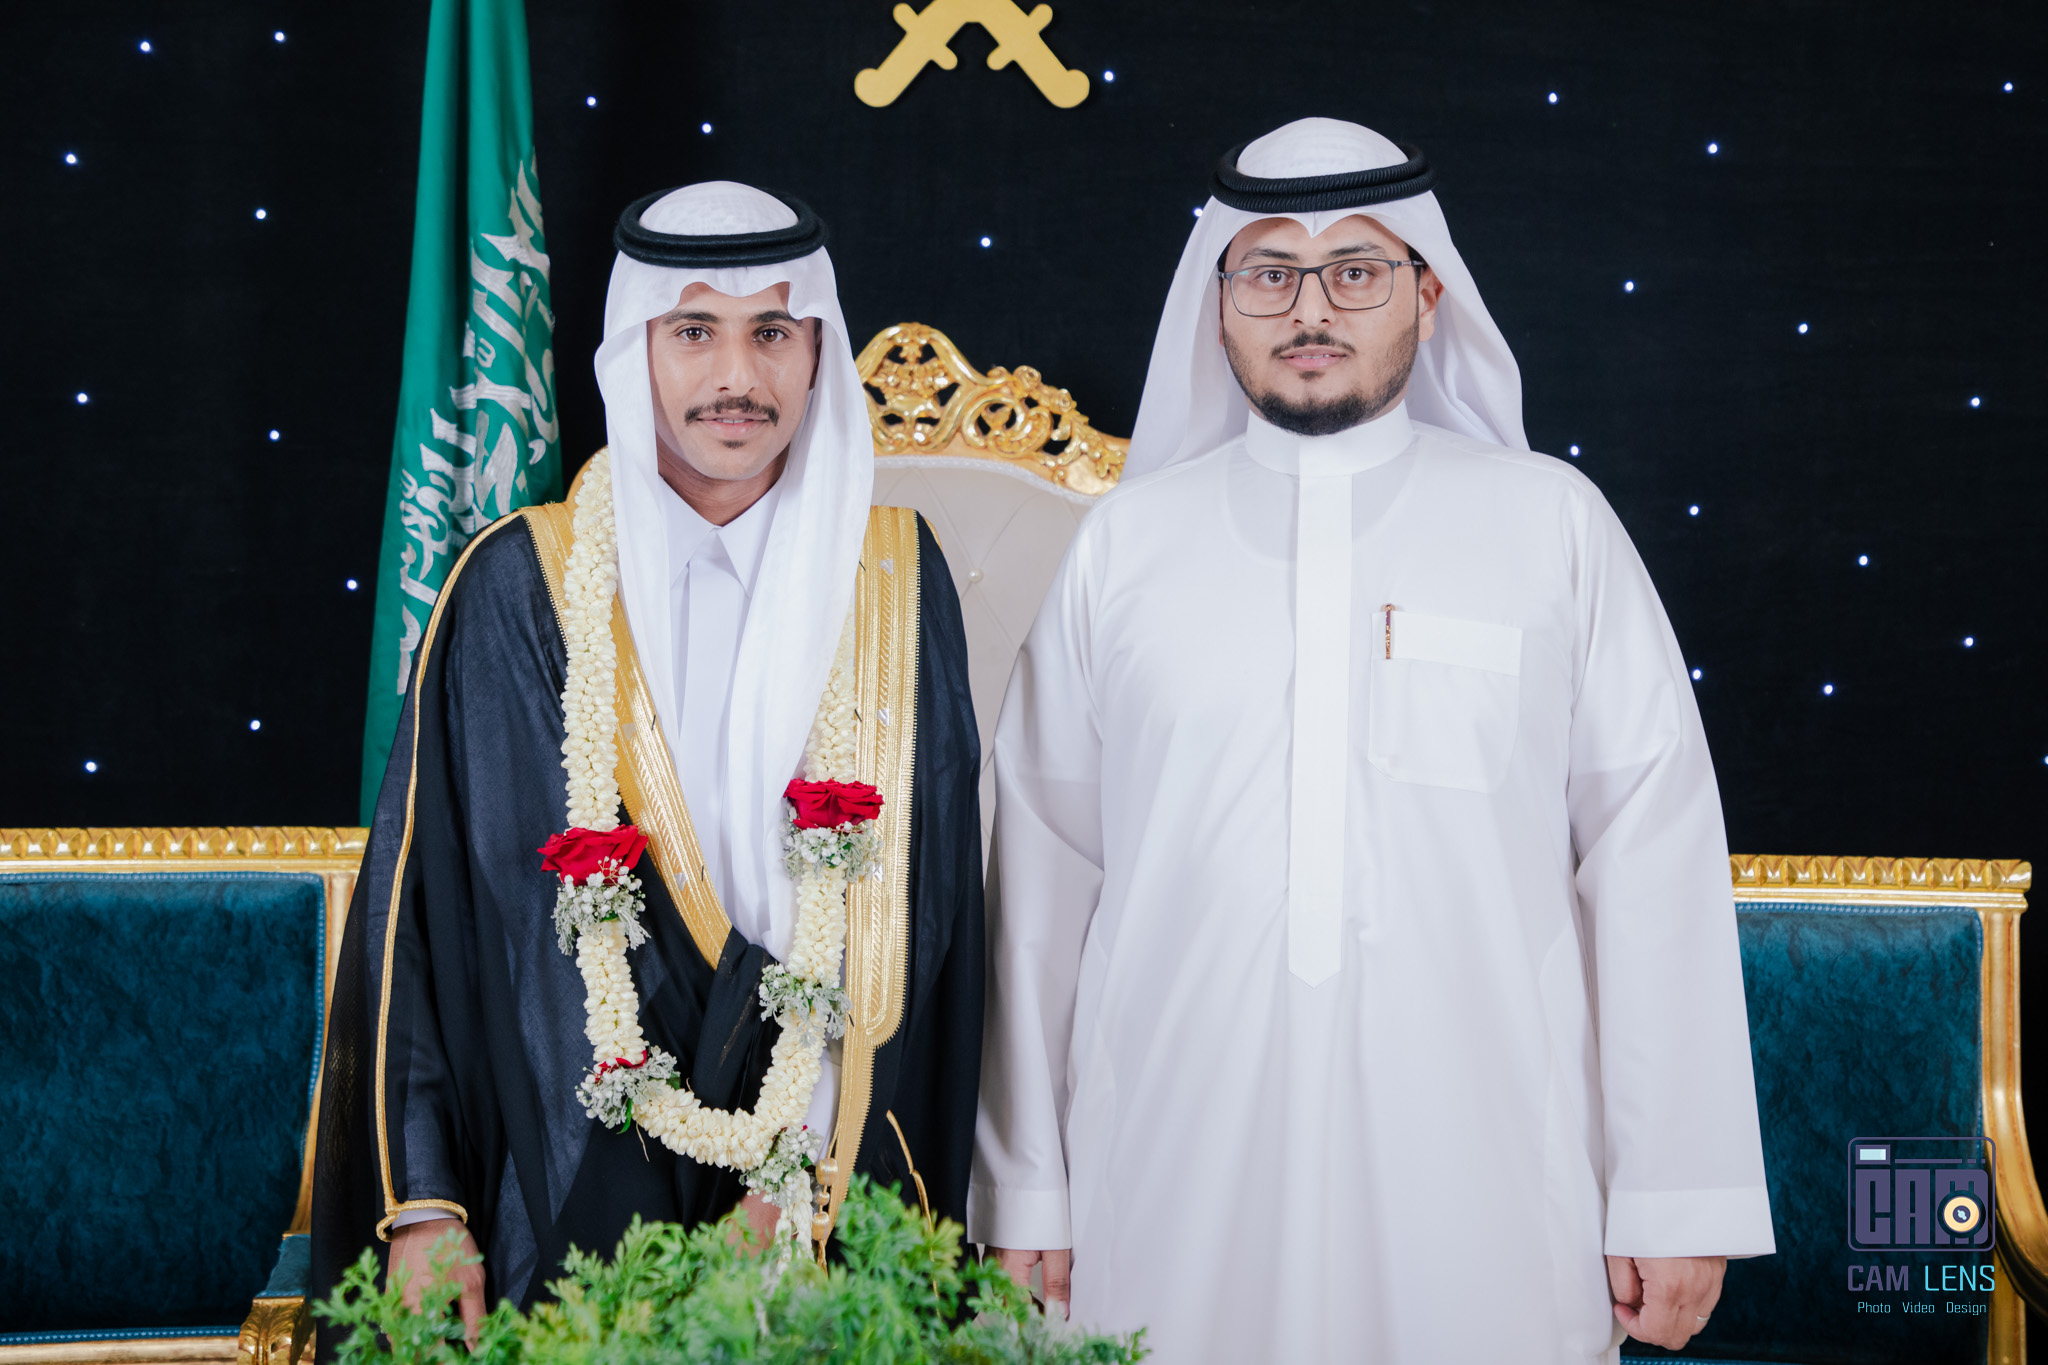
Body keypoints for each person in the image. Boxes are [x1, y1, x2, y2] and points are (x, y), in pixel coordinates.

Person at [972, 118, 1773, 1362]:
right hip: (1171, 1161)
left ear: (1427, 293)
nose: (1310, 309)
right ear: (1217, 304)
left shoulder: (1549, 526)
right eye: (1269, 273)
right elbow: (1037, 881)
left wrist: (1672, 1193)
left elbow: (1650, 864)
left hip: (1491, 1170)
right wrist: (1025, 1186)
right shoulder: (1123, 551)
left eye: (1354, 269)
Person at [312, 182, 984, 1334]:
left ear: (816, 356)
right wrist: (422, 1204)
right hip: (555, 1185)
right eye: (694, 332)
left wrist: (796, 1182)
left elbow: (926, 919)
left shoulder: (892, 581)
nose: (736, 375)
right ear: (636, 350)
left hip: (815, 1201)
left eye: (771, 333)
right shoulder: (517, 587)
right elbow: (416, 918)